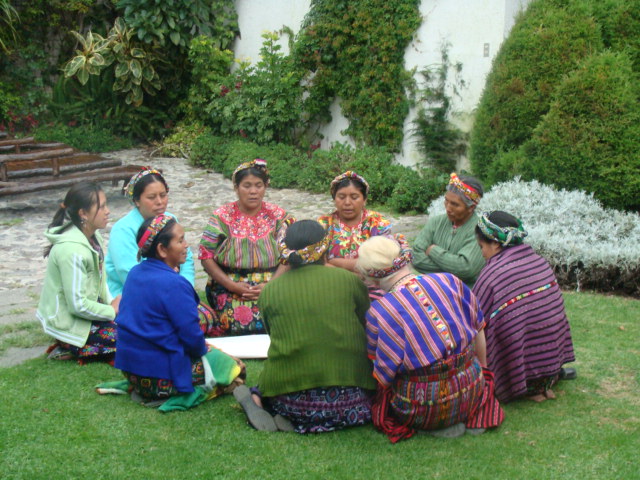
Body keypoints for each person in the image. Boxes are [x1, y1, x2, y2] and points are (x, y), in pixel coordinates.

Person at [356, 236, 504, 443]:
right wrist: (484, 376)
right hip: (473, 389)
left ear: (370, 277)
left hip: (420, 408)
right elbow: (479, 328)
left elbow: (383, 373)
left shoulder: (380, 312)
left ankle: (435, 425)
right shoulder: (449, 280)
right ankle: (462, 416)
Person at [233, 220, 376, 433]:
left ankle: (258, 399)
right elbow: (366, 326)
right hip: (355, 405)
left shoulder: (270, 291)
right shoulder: (350, 281)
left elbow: (277, 337)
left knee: (272, 374)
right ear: (324, 248)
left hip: (292, 404)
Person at [114, 215, 244, 409]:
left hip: (131, 372)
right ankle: (195, 391)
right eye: (180, 240)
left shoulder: (135, 273)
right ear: (162, 249)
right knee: (235, 367)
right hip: (161, 376)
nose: (186, 245)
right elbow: (191, 336)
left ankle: (145, 390)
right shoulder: (174, 283)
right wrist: (203, 351)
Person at [473, 211, 576, 403]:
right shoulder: (539, 262)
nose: (482, 253)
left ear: (495, 243)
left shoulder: (493, 274)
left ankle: (518, 383)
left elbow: (474, 323)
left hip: (520, 376)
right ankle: (543, 384)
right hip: (550, 368)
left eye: (481, 246)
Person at [105, 167, 215, 335]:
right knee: (168, 325)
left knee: (206, 319)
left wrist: (184, 292)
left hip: (174, 292)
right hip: (137, 298)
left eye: (163, 195)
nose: (160, 202)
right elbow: (129, 275)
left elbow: (186, 261)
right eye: (151, 197)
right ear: (136, 200)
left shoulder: (170, 220)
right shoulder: (123, 230)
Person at [199, 159, 294, 336]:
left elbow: (289, 254)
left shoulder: (279, 216)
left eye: (259, 185)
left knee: (283, 319)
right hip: (231, 281)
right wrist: (233, 286)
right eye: (247, 186)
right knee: (235, 323)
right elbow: (205, 256)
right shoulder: (221, 217)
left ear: (265, 187)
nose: (253, 191)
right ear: (236, 187)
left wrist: (270, 285)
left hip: (273, 280)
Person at [37, 182, 119, 363]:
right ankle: (67, 345)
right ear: (83, 213)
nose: (108, 211)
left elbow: (100, 280)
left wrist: (112, 304)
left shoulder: (92, 236)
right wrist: (111, 311)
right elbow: (77, 305)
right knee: (130, 340)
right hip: (69, 323)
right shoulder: (71, 251)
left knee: (138, 324)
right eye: (102, 206)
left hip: (91, 313)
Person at [412, 172, 485, 286]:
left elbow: (466, 268)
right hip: (432, 290)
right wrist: (453, 270)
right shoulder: (435, 222)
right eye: (446, 200)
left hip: (462, 296)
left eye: (455, 204)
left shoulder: (479, 231)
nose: (448, 208)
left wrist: (433, 250)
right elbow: (415, 257)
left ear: (471, 207)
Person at [317, 171, 393, 273]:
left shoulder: (377, 223)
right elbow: (318, 262)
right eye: (341, 197)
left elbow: (381, 262)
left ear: (364, 200)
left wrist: (335, 262)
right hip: (334, 281)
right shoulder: (324, 224)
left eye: (354, 197)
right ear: (334, 199)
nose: (347, 203)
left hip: (370, 284)